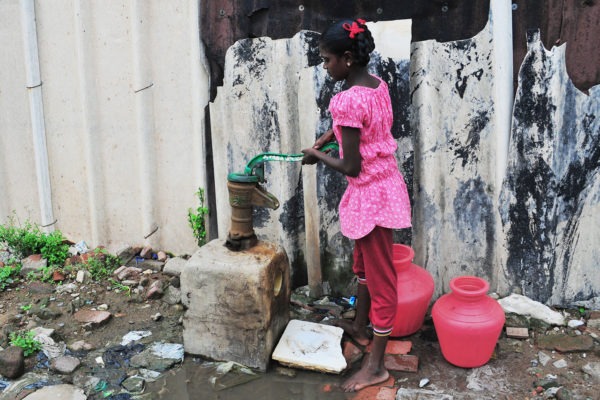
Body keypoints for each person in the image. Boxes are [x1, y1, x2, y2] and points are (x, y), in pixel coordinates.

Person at [301, 18, 412, 392]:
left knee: (382, 283)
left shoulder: (346, 100)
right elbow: (360, 124)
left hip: (372, 196)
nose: (325, 65)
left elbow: (351, 165)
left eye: (327, 59)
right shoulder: (375, 84)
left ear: (347, 58)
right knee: (363, 265)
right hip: (383, 188)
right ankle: (361, 328)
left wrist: (316, 156)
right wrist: (329, 134)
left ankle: (376, 366)